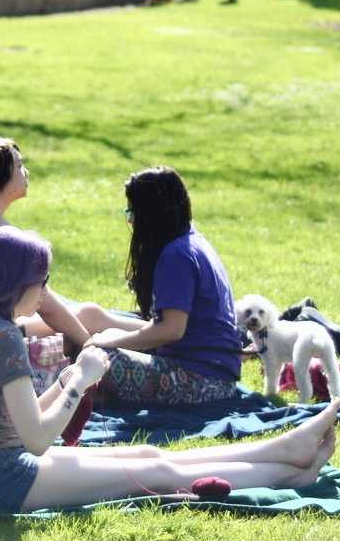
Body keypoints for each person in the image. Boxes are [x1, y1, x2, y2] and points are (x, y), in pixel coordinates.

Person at [0, 226, 340, 512]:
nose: (43, 293)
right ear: (13, 283)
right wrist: (81, 382)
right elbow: (37, 438)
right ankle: (289, 476)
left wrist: (68, 379)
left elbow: (19, 419)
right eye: (42, 280)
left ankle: (282, 450)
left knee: (149, 454)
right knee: (158, 472)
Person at [0, 135, 127, 361]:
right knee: (89, 317)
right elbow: (46, 305)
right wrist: (90, 345)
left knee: (83, 320)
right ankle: (162, 336)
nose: (26, 171)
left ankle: (159, 334)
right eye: (19, 165)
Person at [85, 167, 245, 405]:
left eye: (132, 212)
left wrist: (110, 343)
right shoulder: (192, 241)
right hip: (215, 371)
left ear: (150, 214)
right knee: (104, 337)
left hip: (202, 379)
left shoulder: (176, 256)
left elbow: (171, 330)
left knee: (98, 358)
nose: (130, 220)